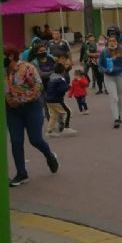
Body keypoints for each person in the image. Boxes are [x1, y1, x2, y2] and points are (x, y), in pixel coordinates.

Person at [4, 45, 60, 186]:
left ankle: (49, 155)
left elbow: (38, 87)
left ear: (10, 56)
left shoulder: (26, 68)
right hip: (12, 111)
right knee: (16, 141)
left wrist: (21, 100)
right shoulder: (3, 72)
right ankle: (22, 174)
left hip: (31, 108)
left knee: (35, 139)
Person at [99, 35, 122, 128]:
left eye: (114, 41)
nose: (112, 43)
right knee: (114, 98)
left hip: (121, 76)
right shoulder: (105, 52)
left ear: (117, 42)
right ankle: (116, 119)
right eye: (110, 41)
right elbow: (100, 64)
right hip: (109, 77)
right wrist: (104, 70)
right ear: (107, 42)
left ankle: (119, 115)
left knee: (119, 97)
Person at [44, 63, 77, 137]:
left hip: (48, 100)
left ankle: (49, 131)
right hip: (57, 100)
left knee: (53, 115)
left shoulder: (51, 77)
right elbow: (62, 89)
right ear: (63, 71)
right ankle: (66, 128)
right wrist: (69, 87)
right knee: (68, 112)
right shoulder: (61, 79)